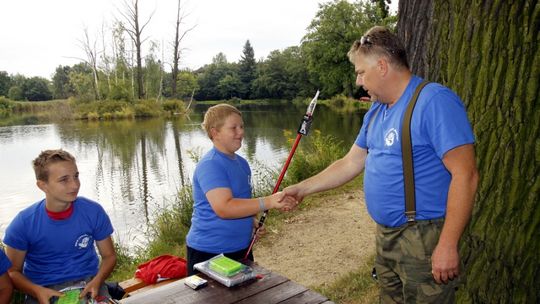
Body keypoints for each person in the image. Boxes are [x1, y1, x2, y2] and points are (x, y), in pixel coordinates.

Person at [284, 26, 479, 303]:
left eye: (361, 72)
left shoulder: (433, 101)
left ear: (383, 66)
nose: (359, 81)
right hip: (385, 237)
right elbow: (350, 162)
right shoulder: (377, 110)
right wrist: (301, 189)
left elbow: (466, 175)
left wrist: (447, 244)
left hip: (423, 237)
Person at [185, 104, 297, 275]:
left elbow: (241, 201)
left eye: (242, 126)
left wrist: (251, 223)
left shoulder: (242, 164)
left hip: (240, 248)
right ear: (215, 133)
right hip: (209, 252)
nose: (241, 132)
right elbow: (225, 208)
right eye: (233, 128)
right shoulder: (211, 165)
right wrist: (269, 201)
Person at [3, 149, 117, 304]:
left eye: (76, 176)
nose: (75, 184)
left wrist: (97, 281)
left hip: (89, 284)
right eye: (64, 179)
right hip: (43, 290)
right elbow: (12, 272)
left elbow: (109, 256)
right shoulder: (23, 223)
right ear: (42, 185)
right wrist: (36, 291)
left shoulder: (93, 211)